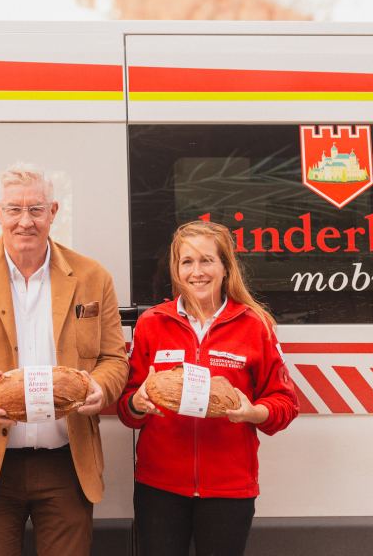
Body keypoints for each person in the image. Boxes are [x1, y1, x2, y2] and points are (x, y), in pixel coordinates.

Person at [0, 164, 128, 556]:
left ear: (54, 212)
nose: (25, 221)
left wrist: (98, 386)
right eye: (14, 209)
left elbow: (114, 360)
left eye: (36, 209)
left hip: (66, 463)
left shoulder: (93, 277)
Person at [118, 220, 299, 556]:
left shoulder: (255, 325)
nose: (196, 272)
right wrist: (138, 404)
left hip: (229, 490)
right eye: (187, 262)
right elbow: (127, 409)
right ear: (176, 269)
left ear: (225, 267)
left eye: (206, 261)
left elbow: (285, 404)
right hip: (159, 487)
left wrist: (252, 412)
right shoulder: (152, 324)